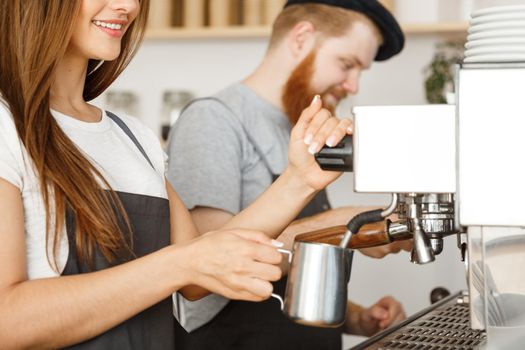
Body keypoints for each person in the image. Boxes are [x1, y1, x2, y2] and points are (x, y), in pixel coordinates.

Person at [0, 1, 355, 348]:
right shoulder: (6, 126)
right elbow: (7, 320)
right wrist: (179, 264)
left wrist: (300, 180)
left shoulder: (133, 137)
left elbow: (198, 272)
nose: (127, 6)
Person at [167, 0, 410, 349]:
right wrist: (344, 225)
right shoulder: (213, 121)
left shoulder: (300, 127)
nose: (354, 85)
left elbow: (292, 280)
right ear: (301, 38)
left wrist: (357, 317)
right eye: (347, 64)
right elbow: (204, 272)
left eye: (362, 71)